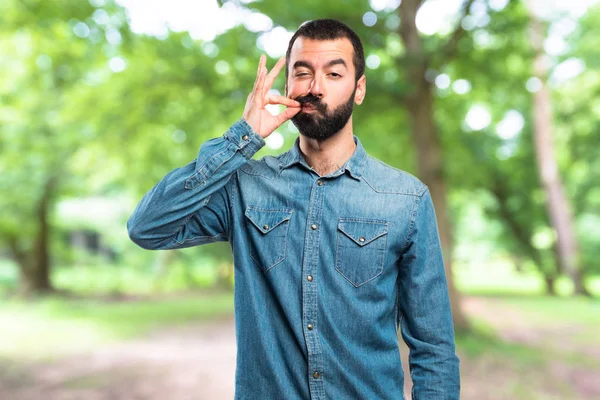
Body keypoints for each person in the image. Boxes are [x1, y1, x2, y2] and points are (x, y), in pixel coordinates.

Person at [128, 18, 459, 400]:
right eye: (303, 73)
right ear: (288, 88)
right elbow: (147, 227)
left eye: (334, 73)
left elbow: (433, 350)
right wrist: (243, 137)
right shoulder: (244, 186)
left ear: (359, 89)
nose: (315, 87)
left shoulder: (406, 199)